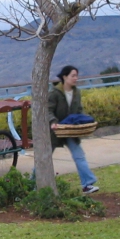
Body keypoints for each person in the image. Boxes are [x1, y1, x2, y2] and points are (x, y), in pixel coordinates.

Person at [48, 65, 99, 194]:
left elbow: (79, 110)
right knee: (45, 157)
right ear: (64, 77)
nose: (76, 78)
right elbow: (47, 110)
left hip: (71, 131)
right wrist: (53, 122)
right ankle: (32, 184)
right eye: (73, 76)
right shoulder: (54, 93)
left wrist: (84, 120)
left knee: (79, 156)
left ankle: (87, 184)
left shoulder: (77, 92)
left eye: (76, 76)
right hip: (54, 131)